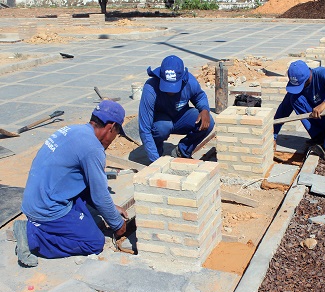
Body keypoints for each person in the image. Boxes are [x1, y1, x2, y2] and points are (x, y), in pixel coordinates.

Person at [13, 100, 128, 267]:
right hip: (47, 209)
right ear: (110, 127)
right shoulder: (92, 148)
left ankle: (42, 226)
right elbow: (100, 194)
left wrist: (111, 207)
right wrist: (117, 224)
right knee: (94, 242)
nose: (112, 140)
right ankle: (33, 235)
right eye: (116, 134)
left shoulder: (74, 130)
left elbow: (86, 184)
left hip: (37, 198)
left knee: (88, 209)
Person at [273, 60, 325, 159]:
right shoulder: (298, 88)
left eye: (301, 84)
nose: (300, 88)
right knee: (294, 99)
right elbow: (283, 110)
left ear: (308, 77)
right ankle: (320, 138)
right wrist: (273, 136)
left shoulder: (322, 74)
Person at [138, 55, 214, 162]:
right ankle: (157, 153)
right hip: (161, 122)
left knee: (208, 122)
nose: (170, 91)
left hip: (181, 117)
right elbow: (144, 129)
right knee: (163, 127)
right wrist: (155, 163)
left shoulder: (190, 82)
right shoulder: (150, 89)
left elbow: (200, 97)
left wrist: (205, 109)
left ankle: (182, 151)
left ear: (182, 78)